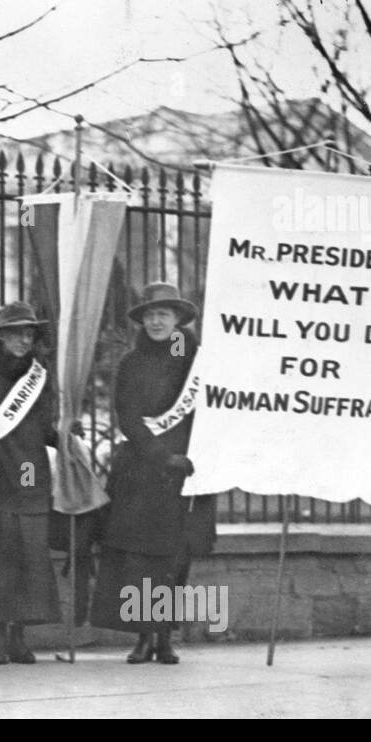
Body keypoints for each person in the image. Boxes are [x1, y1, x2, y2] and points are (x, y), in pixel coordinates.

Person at [90, 282, 217, 664]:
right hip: (142, 472)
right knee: (138, 560)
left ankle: (164, 637)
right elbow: (127, 415)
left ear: (178, 318)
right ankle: (143, 637)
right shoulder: (131, 362)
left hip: (187, 472)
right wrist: (160, 454)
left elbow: (209, 411)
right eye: (150, 314)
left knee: (175, 559)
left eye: (164, 314)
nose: (157, 321)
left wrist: (192, 456)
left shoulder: (196, 360)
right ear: (142, 320)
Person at [0, 302, 62, 664]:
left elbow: (46, 429)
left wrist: (66, 438)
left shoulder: (40, 377)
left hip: (31, 477)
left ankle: (20, 636)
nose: (23, 339)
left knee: (30, 565)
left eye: (29, 333)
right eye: (16, 332)